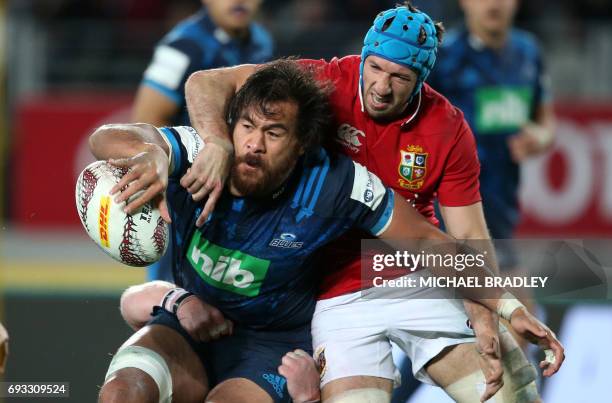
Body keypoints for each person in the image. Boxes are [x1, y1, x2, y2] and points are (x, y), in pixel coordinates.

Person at [93, 60, 558, 403]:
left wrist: (506, 305)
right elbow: (105, 138)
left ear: (301, 147)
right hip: (188, 327)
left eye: (273, 133)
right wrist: (152, 152)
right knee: (122, 394)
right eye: (247, 127)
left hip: (272, 346)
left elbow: (433, 244)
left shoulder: (338, 184)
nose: (253, 144)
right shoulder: (201, 152)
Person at [133, 0, 273, 281]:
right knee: (172, 298)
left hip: (233, 195)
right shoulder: (181, 48)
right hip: (188, 195)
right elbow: (145, 122)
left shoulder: (261, 41)